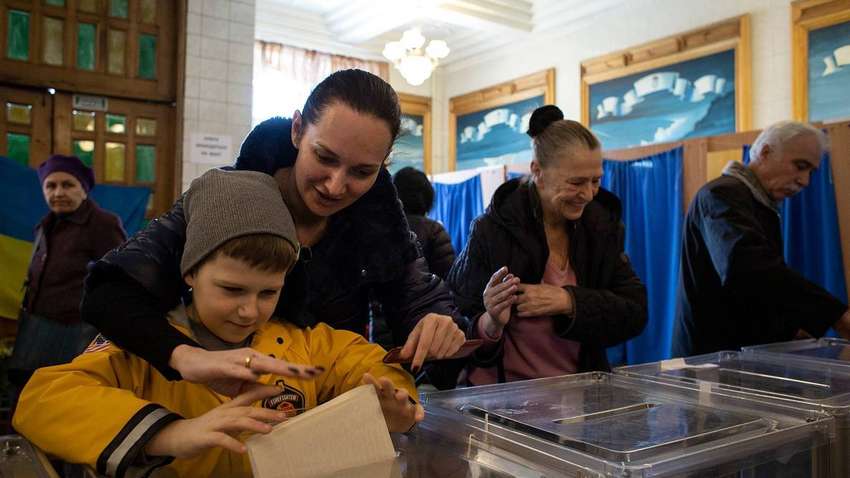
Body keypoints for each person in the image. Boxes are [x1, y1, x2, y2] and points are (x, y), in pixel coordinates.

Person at [14, 169, 422, 478]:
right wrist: (174, 434)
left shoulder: (305, 344)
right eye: (231, 289)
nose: (249, 311)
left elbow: (371, 365)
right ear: (189, 273)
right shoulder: (138, 345)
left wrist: (393, 404)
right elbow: (42, 400)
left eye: (268, 293)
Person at [81, 69, 467, 394]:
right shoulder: (227, 199)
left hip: (327, 400)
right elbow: (110, 293)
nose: (335, 186)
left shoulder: (378, 219)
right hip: (212, 400)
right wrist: (185, 356)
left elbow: (418, 298)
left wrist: (438, 323)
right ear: (298, 130)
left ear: (383, 165)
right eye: (324, 157)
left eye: (362, 172)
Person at [447, 105, 648, 385]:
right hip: (502, 401)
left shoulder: (601, 228)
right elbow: (455, 325)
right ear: (537, 171)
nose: (588, 194)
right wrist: (490, 322)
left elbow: (635, 312)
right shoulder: (492, 231)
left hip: (576, 397)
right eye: (576, 182)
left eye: (595, 181)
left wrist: (568, 300)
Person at [673, 120, 850, 356]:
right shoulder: (721, 194)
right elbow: (746, 268)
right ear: (765, 152)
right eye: (799, 166)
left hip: (736, 357)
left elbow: (749, 296)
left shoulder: (758, 203)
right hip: (710, 363)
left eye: (810, 172)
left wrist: (788, 328)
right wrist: (835, 315)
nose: (805, 181)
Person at [8, 155, 125, 390]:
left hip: (77, 333)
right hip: (35, 328)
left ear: (84, 189)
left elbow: (120, 280)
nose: (58, 192)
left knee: (64, 396)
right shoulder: (45, 225)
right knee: (25, 393)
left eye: (68, 185)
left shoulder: (103, 224)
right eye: (51, 186)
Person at [392, 167, 455, 280]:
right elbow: (448, 277)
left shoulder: (383, 227)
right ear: (427, 195)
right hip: (428, 295)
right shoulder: (434, 230)